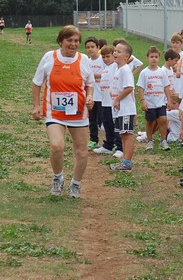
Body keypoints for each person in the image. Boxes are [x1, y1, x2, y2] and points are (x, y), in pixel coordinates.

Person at [32, 25, 94, 198]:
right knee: (56, 146)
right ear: (61, 41)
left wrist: (90, 97)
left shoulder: (84, 60)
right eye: (69, 40)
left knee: (82, 151)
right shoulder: (49, 57)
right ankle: (57, 178)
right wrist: (36, 106)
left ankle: (76, 184)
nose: (73, 44)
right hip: (55, 112)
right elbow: (37, 83)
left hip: (78, 114)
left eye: (76, 41)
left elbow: (90, 84)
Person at [109, 41, 137, 172]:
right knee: (123, 135)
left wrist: (117, 99)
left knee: (127, 134)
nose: (115, 53)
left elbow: (129, 88)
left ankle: (127, 163)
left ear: (127, 56)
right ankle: (125, 161)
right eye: (115, 50)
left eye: (119, 51)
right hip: (120, 110)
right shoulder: (118, 69)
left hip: (126, 109)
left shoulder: (125, 70)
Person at [137, 46, 171, 151]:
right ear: (147, 58)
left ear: (159, 58)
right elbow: (141, 88)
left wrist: (169, 100)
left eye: (156, 57)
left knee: (163, 119)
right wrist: (143, 101)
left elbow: (166, 87)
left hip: (160, 101)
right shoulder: (144, 73)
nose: (154, 59)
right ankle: (150, 140)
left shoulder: (162, 72)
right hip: (149, 102)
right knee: (150, 121)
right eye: (151, 56)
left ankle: (163, 140)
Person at [93, 45, 123, 157]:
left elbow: (129, 58)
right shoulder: (105, 69)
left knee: (116, 125)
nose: (106, 59)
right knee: (107, 124)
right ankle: (108, 146)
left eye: (108, 56)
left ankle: (120, 147)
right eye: (103, 57)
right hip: (104, 101)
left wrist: (116, 52)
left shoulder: (116, 66)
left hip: (112, 103)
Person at [85, 37, 103, 150]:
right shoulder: (86, 61)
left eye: (92, 47)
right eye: (88, 47)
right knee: (92, 119)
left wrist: (94, 76)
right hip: (91, 96)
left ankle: (111, 141)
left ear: (98, 48)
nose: (90, 49)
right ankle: (93, 140)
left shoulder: (103, 60)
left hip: (103, 95)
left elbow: (108, 73)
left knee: (103, 120)